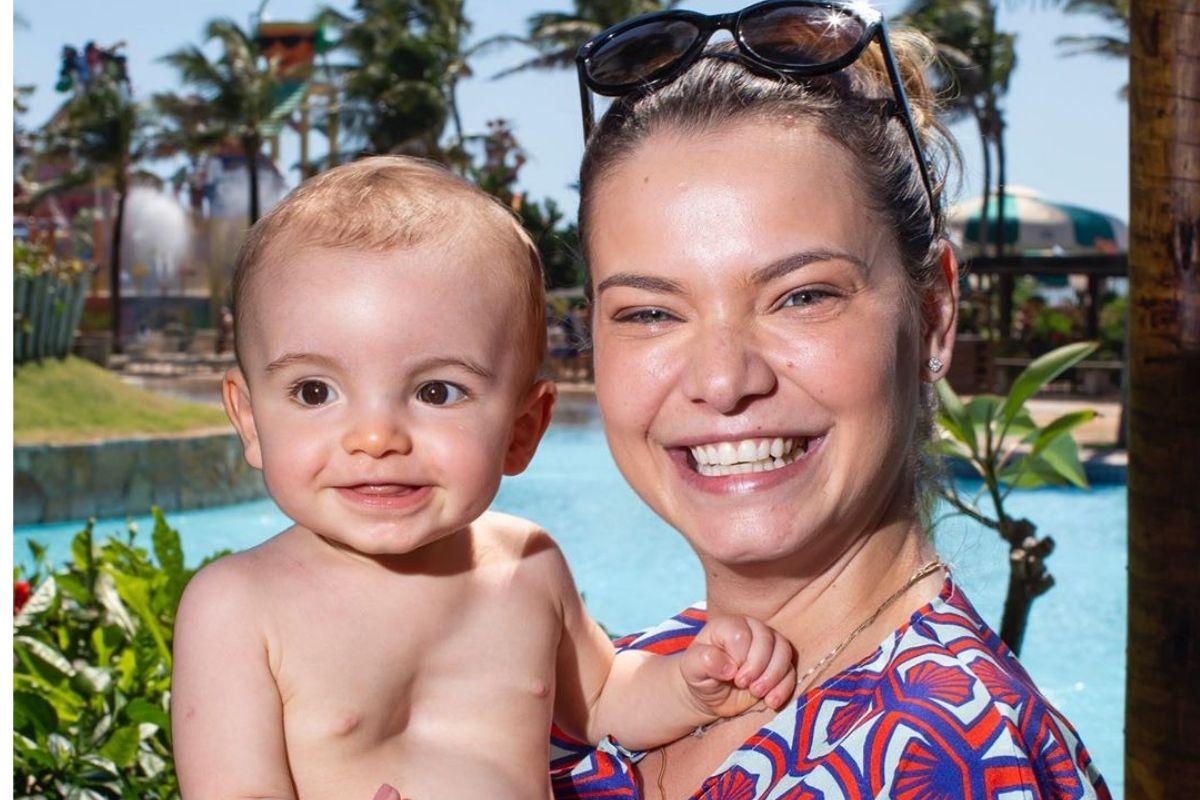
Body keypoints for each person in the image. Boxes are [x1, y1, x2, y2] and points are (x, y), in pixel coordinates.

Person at [552, 3, 1111, 797]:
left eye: (803, 296)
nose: (722, 380)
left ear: (933, 314)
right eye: (649, 312)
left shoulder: (950, 756)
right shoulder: (631, 681)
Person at [170, 156, 798, 800]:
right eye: (314, 391)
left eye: (436, 392)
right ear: (249, 420)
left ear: (523, 429)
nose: (376, 438)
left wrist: (688, 688)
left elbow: (601, 701)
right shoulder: (237, 608)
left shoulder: (528, 564)